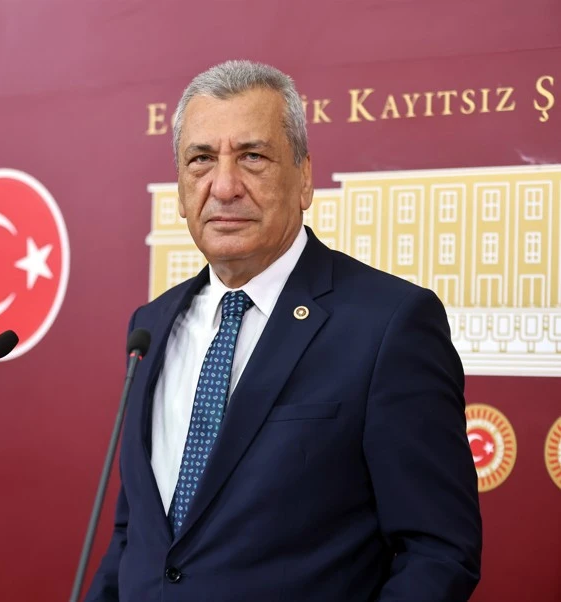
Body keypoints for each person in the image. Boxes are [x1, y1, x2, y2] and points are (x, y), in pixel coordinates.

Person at [84, 60, 482, 601]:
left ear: (304, 178)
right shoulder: (150, 326)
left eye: (253, 156)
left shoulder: (389, 325)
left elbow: (438, 552)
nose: (224, 186)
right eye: (201, 159)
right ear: (179, 188)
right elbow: (137, 533)